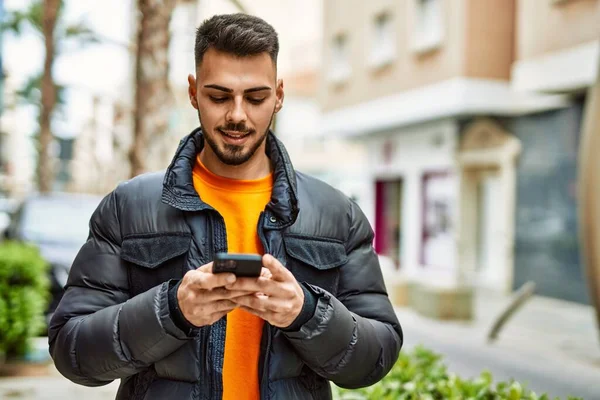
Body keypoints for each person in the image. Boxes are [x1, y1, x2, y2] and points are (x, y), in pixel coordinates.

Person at [48, 13, 403, 400]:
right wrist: (172, 310)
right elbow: (73, 351)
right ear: (193, 91)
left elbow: (377, 356)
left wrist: (306, 313)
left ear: (279, 95)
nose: (237, 114)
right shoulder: (127, 207)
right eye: (219, 96)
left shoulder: (338, 214)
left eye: (256, 97)